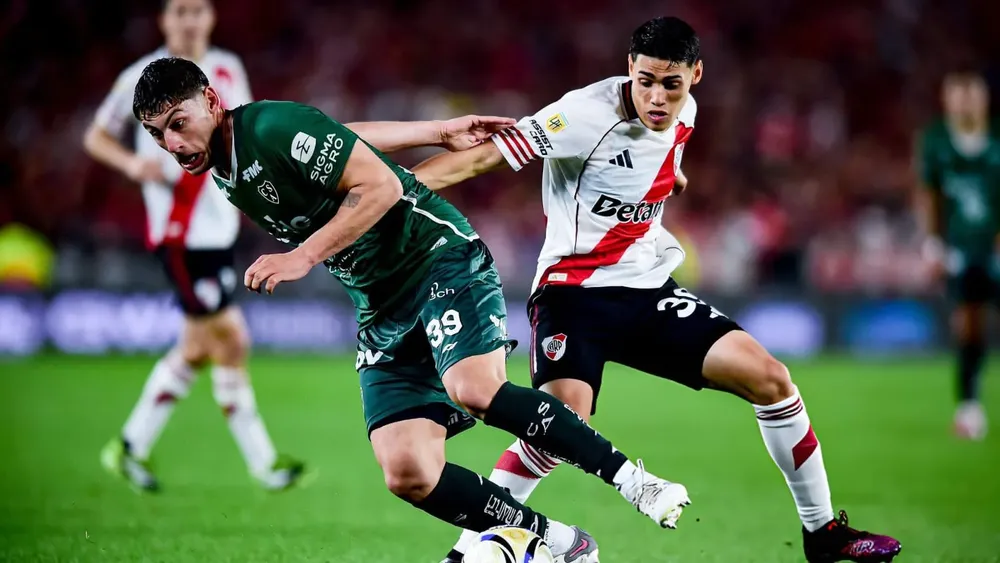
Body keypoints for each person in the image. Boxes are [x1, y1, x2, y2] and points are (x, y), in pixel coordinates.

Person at [130, 55, 697, 563]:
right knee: (406, 470)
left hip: (436, 259)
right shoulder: (224, 158)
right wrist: (433, 131)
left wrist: (302, 256)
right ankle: (555, 543)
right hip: (381, 304)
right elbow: (337, 139)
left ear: (211, 100)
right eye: (158, 136)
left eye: (179, 124)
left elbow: (382, 189)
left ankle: (634, 481)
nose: (173, 144)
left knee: (474, 388)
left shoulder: (267, 126)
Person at [412, 16, 903, 563]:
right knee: (556, 428)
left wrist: (676, 177)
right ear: (629, 68)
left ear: (696, 75)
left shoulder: (684, 113)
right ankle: (463, 554)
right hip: (572, 295)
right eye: (645, 80)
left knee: (773, 379)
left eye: (671, 84)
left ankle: (823, 534)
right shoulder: (580, 115)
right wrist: (396, 191)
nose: (657, 96)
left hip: (646, 290)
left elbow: (661, 157)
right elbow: (482, 157)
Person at [83, 0, 305, 492]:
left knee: (200, 347)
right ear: (163, 20)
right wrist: (131, 165)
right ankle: (263, 465)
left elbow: (242, 130)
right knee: (230, 340)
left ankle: (130, 445)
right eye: (179, 11)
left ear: (211, 17)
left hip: (218, 228)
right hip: (180, 234)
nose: (189, 20)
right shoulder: (140, 78)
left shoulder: (227, 68)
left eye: (197, 10)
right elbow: (96, 136)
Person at [917, 67, 999, 441]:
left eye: (971, 91)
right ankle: (969, 407)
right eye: (957, 92)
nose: (964, 100)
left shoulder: (997, 137)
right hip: (963, 248)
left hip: (996, 242)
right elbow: (929, 194)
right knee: (968, 323)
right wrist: (932, 242)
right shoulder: (936, 141)